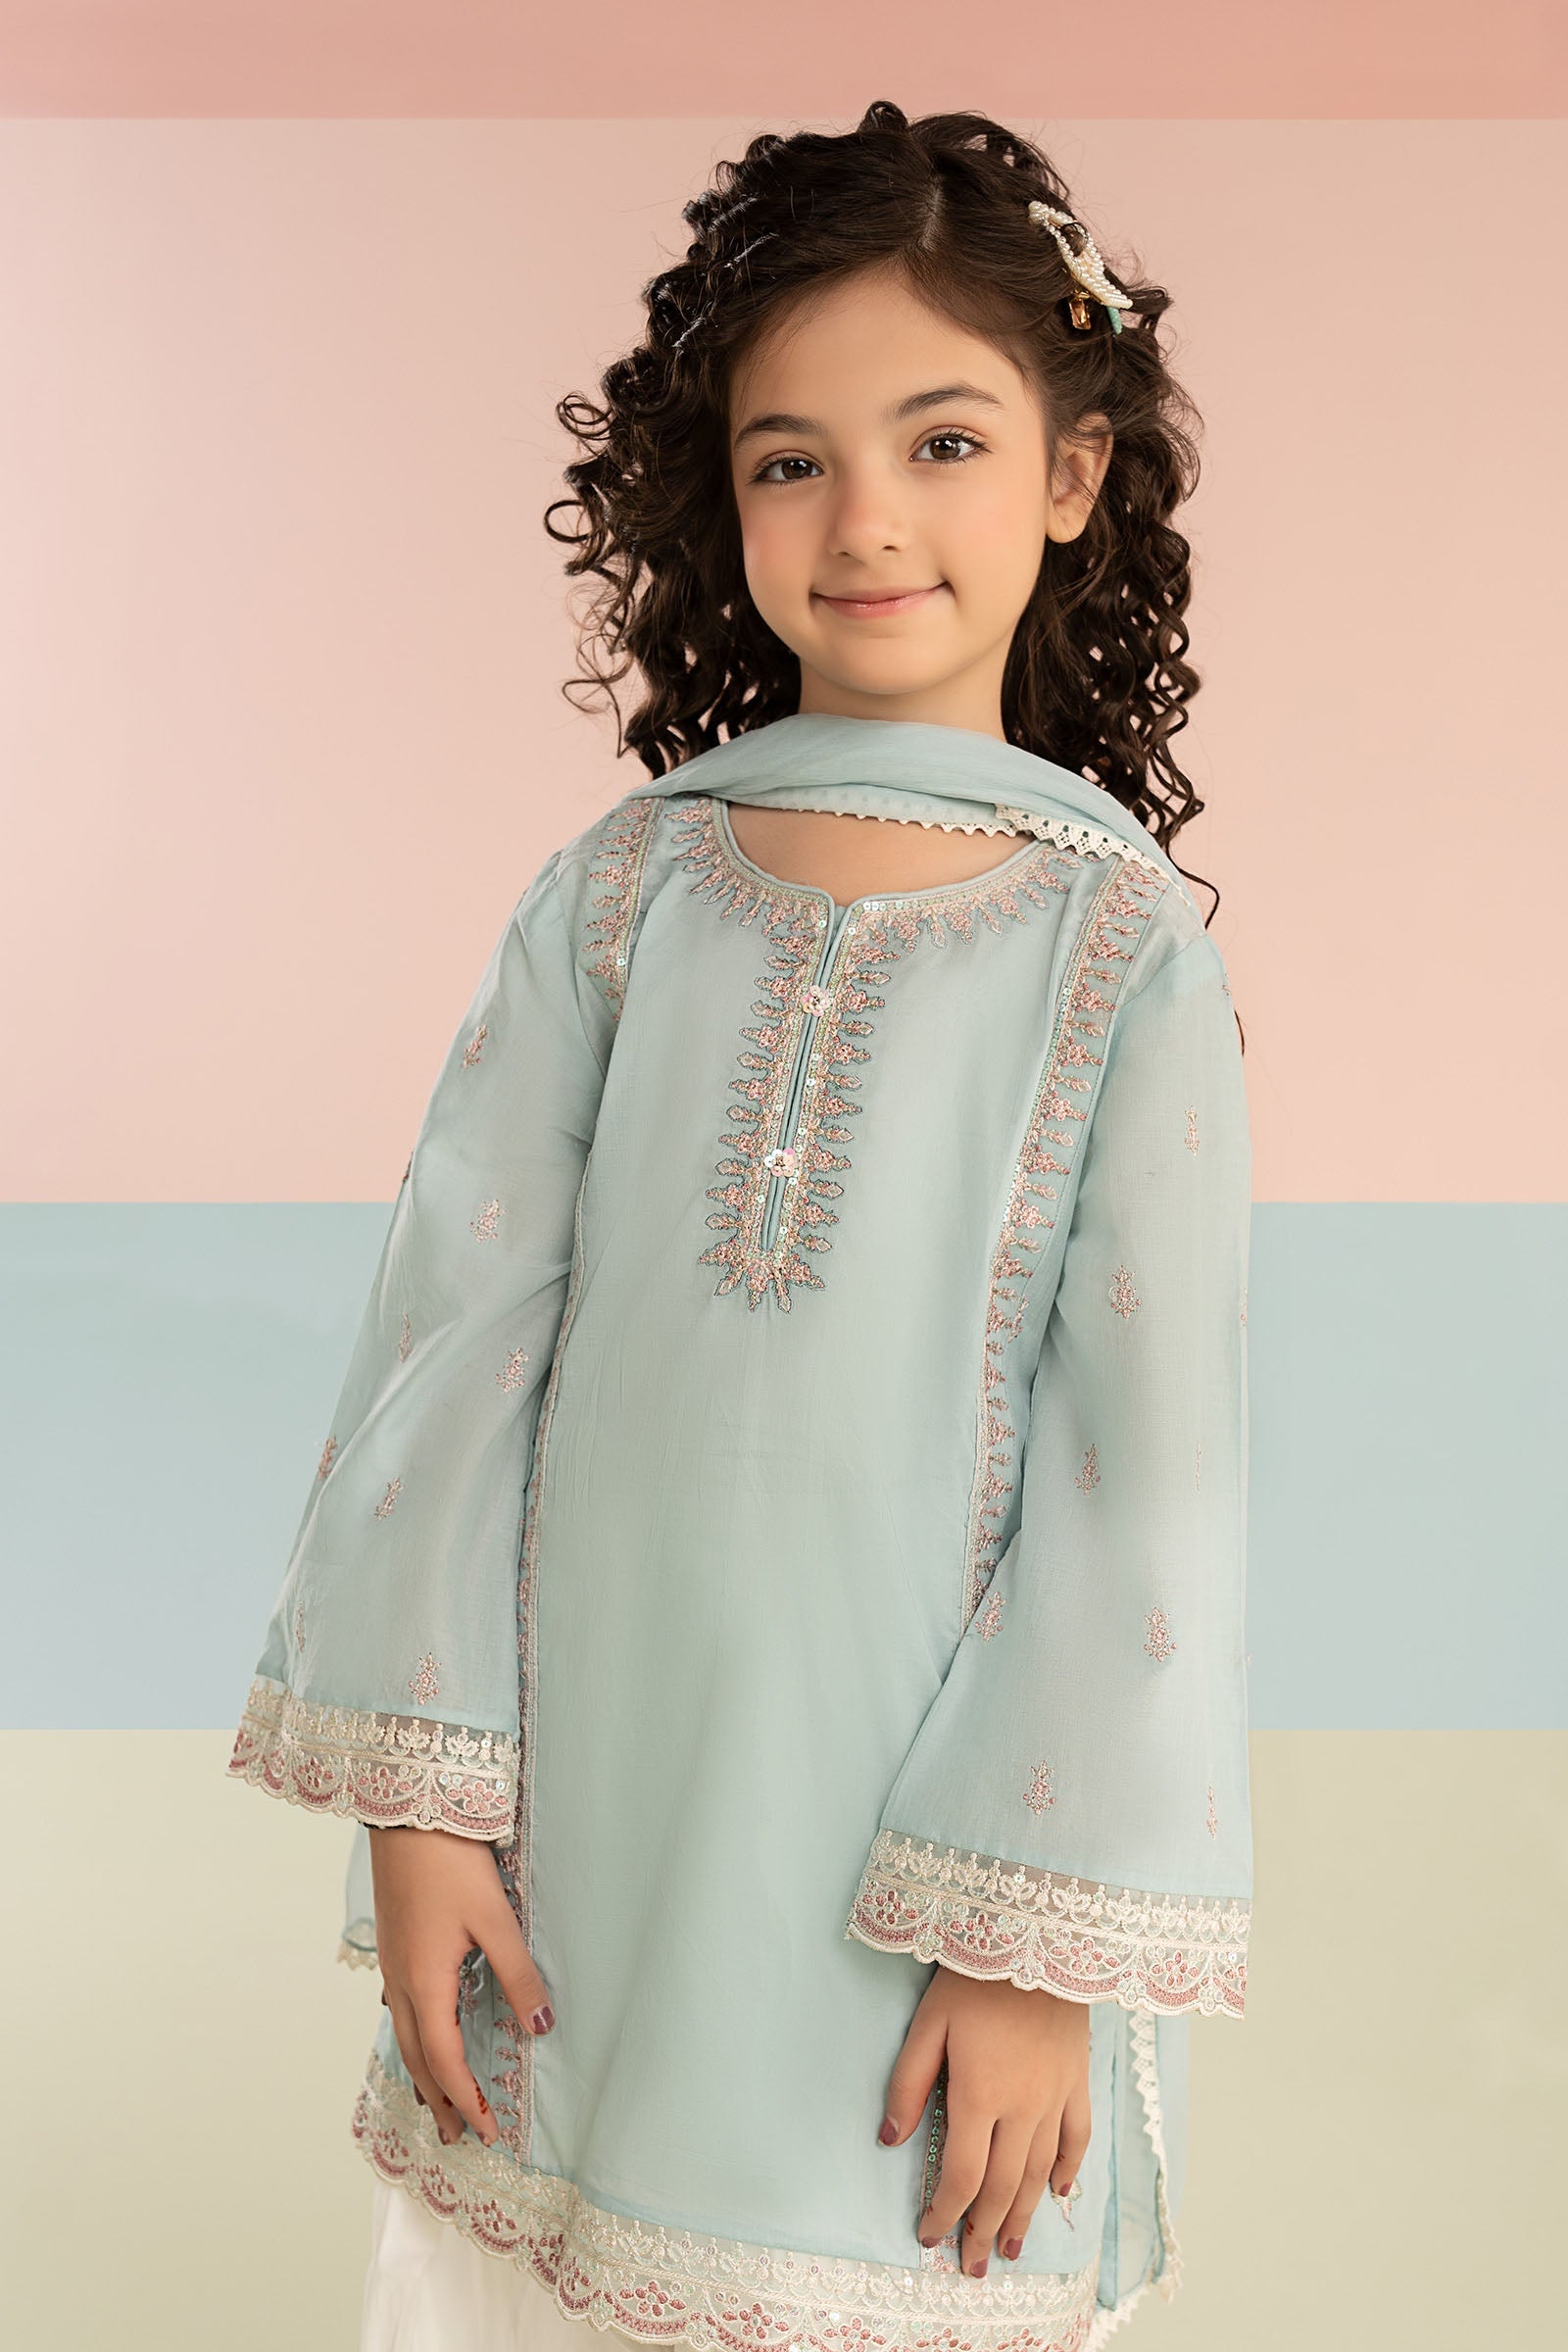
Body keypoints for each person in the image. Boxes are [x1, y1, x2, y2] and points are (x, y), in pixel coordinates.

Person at [227, 99, 1253, 2352]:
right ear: (721, 495)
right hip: (579, 1851)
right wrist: (421, 1816)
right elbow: (452, 1342)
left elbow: (1146, 1477)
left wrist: (1025, 1944)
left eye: (941, 442)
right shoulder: (621, 901)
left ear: (1071, 472)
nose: (864, 518)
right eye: (792, 458)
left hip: (913, 1916)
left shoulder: (1114, 956)